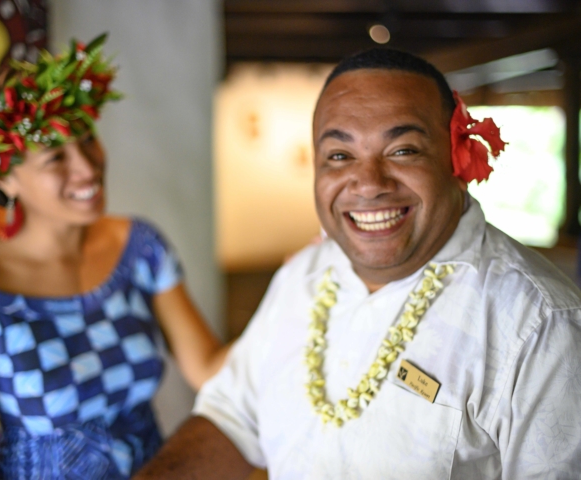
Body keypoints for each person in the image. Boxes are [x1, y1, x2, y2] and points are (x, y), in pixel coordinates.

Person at [135, 48, 581, 479]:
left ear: (455, 160)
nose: (368, 184)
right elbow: (230, 418)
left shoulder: (540, 325)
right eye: (340, 156)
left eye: (403, 150)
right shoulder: (301, 276)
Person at [0, 35, 228, 479]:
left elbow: (209, 368)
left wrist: (300, 294)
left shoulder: (140, 246)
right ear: (7, 178)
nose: (88, 167)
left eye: (87, 139)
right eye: (56, 157)